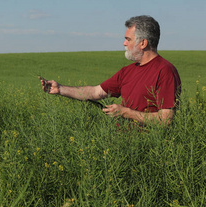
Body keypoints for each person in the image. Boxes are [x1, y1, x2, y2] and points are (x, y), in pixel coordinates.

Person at [40, 15, 181, 126]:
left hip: (149, 150)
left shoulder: (165, 71)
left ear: (143, 43)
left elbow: (165, 120)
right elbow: (96, 92)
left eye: (128, 39)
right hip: (123, 148)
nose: (124, 43)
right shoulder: (128, 71)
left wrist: (126, 113)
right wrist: (60, 89)